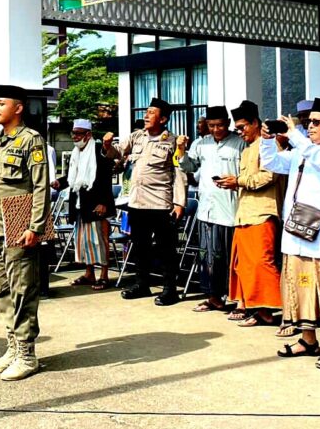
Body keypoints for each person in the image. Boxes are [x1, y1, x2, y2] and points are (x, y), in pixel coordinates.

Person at [261, 98, 320, 370]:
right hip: (296, 235)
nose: (309, 127)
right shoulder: (302, 151)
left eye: (315, 122)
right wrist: (268, 140)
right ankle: (308, 339)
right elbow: (271, 162)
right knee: (301, 287)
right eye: (307, 122)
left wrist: (294, 136)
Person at [0, 85, 50, 381]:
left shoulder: (30, 140)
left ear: (18, 107)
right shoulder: (0, 141)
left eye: (1, 103)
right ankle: (12, 346)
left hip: (19, 224)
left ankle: (27, 353)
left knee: (22, 290)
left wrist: (35, 227)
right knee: (3, 289)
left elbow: (41, 187)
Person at [103, 98, 187, 305]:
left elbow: (179, 172)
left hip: (160, 203)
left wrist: (179, 203)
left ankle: (170, 290)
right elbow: (117, 153)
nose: (146, 116)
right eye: (146, 112)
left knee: (166, 248)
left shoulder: (172, 141)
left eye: (151, 112)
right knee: (140, 246)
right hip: (137, 202)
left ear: (163, 118)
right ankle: (142, 284)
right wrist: (107, 145)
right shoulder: (137, 136)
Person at [219, 101, 285, 326]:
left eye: (242, 127)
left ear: (255, 123)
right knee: (243, 265)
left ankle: (284, 312)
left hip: (263, 212)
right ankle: (259, 311)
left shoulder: (269, 145)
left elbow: (269, 176)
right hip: (245, 213)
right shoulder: (247, 150)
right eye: (237, 129)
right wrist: (234, 182)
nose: (239, 132)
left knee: (261, 263)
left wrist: (237, 181)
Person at [177, 105, 245, 312]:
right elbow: (188, 167)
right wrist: (181, 151)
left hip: (230, 210)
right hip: (206, 208)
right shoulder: (201, 143)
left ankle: (237, 298)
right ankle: (213, 296)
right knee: (207, 255)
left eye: (221, 125)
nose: (216, 129)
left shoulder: (239, 143)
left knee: (228, 257)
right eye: (212, 125)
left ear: (228, 124)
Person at [67, 119, 116, 290]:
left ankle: (104, 275)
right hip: (81, 203)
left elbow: (105, 178)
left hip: (97, 203)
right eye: (73, 133)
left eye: (78, 133)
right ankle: (89, 273)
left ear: (88, 135)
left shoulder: (98, 150)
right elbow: (74, 178)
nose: (75, 137)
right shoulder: (76, 152)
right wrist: (58, 182)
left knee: (99, 241)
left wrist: (104, 203)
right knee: (83, 241)